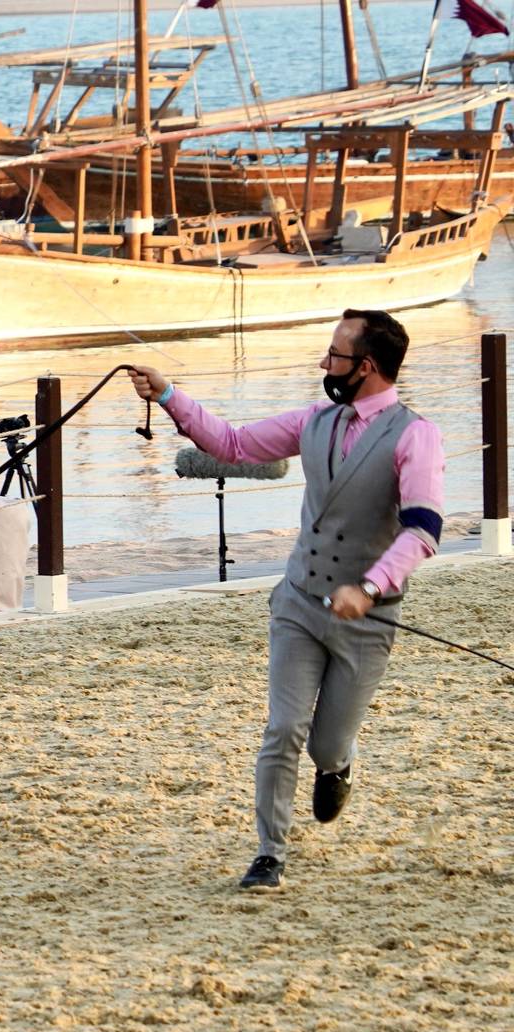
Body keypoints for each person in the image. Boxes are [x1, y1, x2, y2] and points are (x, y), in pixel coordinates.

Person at [128, 309, 445, 892]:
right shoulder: (313, 421)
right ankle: (269, 853)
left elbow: (423, 529)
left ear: (366, 367)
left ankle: (338, 764)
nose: (325, 364)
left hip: (367, 618)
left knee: (325, 743)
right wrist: (169, 394)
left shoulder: (415, 436)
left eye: (335, 356)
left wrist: (371, 585)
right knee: (283, 728)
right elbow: (233, 443)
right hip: (299, 601)